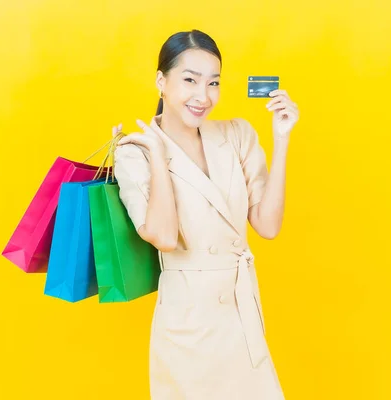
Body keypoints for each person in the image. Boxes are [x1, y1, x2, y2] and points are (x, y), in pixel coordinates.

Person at [112, 29, 299, 400]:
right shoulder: (135, 151)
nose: (203, 96)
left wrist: (281, 139)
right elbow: (164, 237)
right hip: (187, 325)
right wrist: (159, 155)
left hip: (240, 314)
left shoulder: (237, 134)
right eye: (189, 80)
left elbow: (267, 225)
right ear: (161, 81)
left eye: (213, 83)